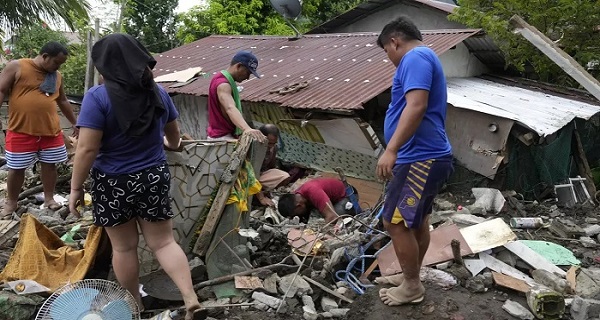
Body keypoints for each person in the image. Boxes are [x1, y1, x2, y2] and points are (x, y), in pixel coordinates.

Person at [68, 34, 203, 320]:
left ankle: (135, 307)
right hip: (153, 176)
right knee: (164, 243)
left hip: (113, 182)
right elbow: (174, 137)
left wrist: (76, 187)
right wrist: (172, 146)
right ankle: (191, 298)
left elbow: (88, 148)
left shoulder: (97, 97)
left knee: (124, 247)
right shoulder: (158, 92)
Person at [374, 16, 454, 306]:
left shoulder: (415, 57)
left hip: (418, 157)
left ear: (394, 41)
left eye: (387, 51)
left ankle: (411, 286)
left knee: (395, 223)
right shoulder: (425, 56)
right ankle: (412, 276)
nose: (389, 58)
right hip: (428, 156)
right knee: (417, 221)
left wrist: (391, 149)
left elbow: (416, 105)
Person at [0, 42, 79, 217]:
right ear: (44, 57)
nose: (58, 67)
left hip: (50, 131)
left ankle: (49, 199)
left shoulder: (56, 75)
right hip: (21, 129)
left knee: (50, 166)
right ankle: (11, 203)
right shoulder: (17, 66)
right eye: (56, 62)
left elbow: (63, 101)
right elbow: (1, 89)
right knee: (16, 168)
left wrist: (75, 122)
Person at [206, 50, 266, 143]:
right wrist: (247, 129)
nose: (247, 78)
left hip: (224, 135)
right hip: (222, 138)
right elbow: (230, 108)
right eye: (247, 72)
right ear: (238, 66)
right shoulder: (223, 84)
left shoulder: (223, 80)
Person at [277, 177, 357, 223]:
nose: (296, 216)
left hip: (346, 196)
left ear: (299, 205)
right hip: (329, 198)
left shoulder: (313, 192)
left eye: (295, 214)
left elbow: (332, 216)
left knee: (335, 222)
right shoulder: (296, 196)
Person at [255, 124, 290, 207]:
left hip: (262, 174)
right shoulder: (254, 148)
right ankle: (257, 194)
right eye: (269, 143)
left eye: (273, 143)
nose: (271, 146)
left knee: (285, 176)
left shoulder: (273, 148)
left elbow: (271, 166)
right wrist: (261, 198)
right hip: (249, 176)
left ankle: (264, 191)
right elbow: (250, 173)